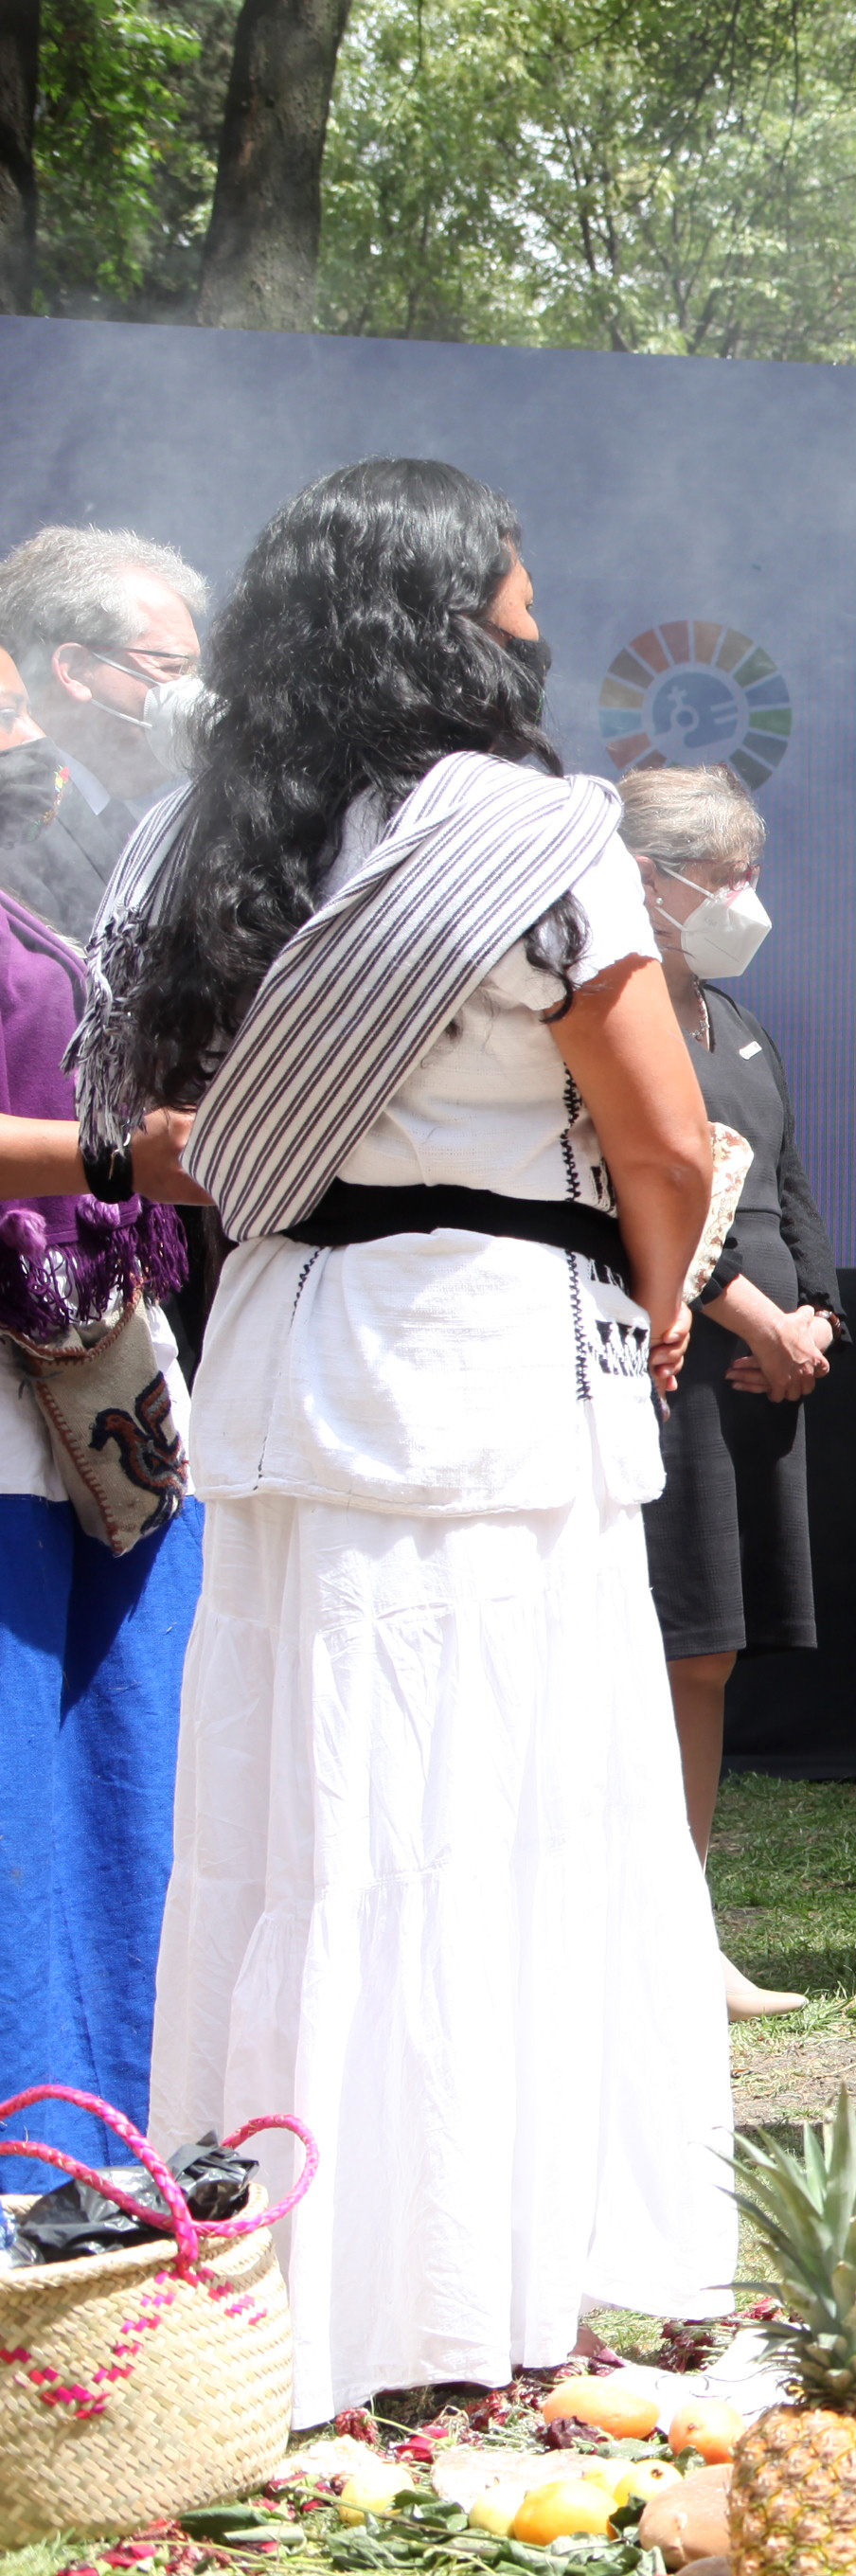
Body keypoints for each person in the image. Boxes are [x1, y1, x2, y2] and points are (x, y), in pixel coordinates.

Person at [98, 458, 727, 2413]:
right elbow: (667, 1140)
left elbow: (152, 1112)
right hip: (491, 1368)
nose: (538, 610)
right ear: (460, 611)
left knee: (308, 1827)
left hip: (290, 1341)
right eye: (516, 581)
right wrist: (674, 1302)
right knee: (493, 1830)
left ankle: (289, 2282)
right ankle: (471, 2292)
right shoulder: (532, 834)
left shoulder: (198, 835)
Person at [0, 644, 205, 2177]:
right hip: (12, 1416)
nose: (22, 735)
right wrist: (118, 1157)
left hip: (97, 1389)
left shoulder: (63, 879)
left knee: (124, 1773)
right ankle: (35, 2167)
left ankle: (125, 2140)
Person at [615, 764, 836, 2023]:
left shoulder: (739, 1021)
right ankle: (635, 1931)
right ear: (649, 878)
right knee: (658, 1648)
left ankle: (684, 1924)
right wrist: (741, 1311)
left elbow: (786, 1180)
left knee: (709, 1657)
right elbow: (638, 1182)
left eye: (754, 869)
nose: (748, 896)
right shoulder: (615, 1009)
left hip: (762, 1375)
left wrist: (817, 1320)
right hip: (665, 1365)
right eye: (725, 872)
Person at [0, 527, 207, 938]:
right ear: (75, 669)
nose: (193, 695)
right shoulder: (16, 827)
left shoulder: (150, 819)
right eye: (172, 669)